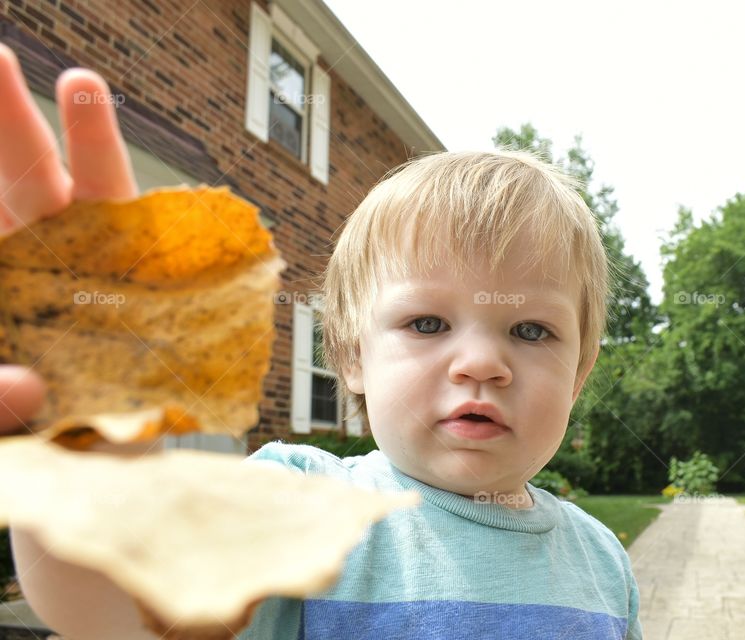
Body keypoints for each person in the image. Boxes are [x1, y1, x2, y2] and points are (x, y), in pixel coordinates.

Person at [0, 43, 643, 639]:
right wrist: (84, 459)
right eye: (427, 323)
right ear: (353, 356)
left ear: (578, 374)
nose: (480, 363)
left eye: (531, 330)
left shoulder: (602, 561)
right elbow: (133, 613)